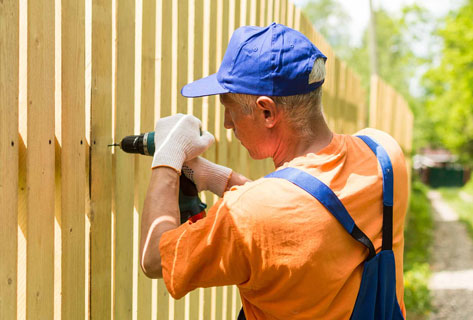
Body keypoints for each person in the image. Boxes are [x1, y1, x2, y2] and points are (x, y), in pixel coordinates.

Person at [139, 22, 408, 319]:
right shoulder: (384, 155)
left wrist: (168, 155)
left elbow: (153, 258)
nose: (227, 123)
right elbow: (304, 213)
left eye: (229, 107)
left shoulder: (247, 215)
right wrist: (218, 178)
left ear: (266, 111)